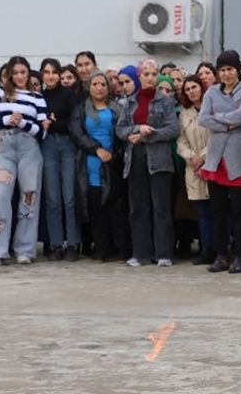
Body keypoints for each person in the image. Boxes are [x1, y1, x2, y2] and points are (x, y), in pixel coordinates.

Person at [0, 56, 48, 266]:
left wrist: (23, 124)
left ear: (28, 73)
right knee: (0, 196)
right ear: (10, 75)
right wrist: (8, 120)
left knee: (29, 197)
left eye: (23, 72)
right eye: (16, 73)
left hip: (29, 147)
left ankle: (25, 250)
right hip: (5, 147)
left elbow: (42, 131)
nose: (20, 76)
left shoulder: (37, 97)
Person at [198, 50, 241, 274]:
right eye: (222, 70)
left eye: (230, 69)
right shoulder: (211, 92)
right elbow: (203, 118)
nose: (226, 73)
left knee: (240, 212)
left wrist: (217, 119)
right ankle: (221, 254)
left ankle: (239, 255)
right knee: (218, 212)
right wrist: (227, 122)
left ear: (237, 70)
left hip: (237, 158)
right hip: (215, 160)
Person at [116, 73, 180, 267]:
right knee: (138, 207)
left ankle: (164, 253)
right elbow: (120, 130)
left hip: (159, 159)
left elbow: (173, 129)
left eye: (154, 74)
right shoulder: (129, 102)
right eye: (146, 74)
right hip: (135, 158)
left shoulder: (166, 101)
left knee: (161, 207)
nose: (150, 78)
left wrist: (146, 135)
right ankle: (141, 253)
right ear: (139, 76)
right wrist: (137, 128)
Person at [72, 72, 129, 262]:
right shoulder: (81, 109)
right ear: (89, 87)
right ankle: (102, 248)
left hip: (113, 162)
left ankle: (121, 249)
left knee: (116, 209)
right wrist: (96, 150)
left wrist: (114, 156)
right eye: (95, 84)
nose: (99, 88)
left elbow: (124, 134)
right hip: (90, 162)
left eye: (103, 84)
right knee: (96, 208)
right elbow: (77, 133)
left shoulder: (118, 109)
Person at [40, 58, 82, 260]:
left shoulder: (68, 94)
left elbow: (73, 121)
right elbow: (38, 121)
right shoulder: (38, 96)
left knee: (69, 197)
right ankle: (56, 244)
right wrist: (50, 122)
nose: (50, 75)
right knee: (53, 198)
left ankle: (73, 243)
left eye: (54, 71)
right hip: (47, 146)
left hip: (67, 145)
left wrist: (54, 121)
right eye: (46, 71)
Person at [176, 75, 213, 265]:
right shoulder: (184, 113)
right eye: (187, 89)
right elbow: (180, 140)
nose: (191, 91)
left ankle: (220, 248)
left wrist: (203, 158)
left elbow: (217, 135)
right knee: (202, 212)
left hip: (213, 164)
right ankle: (206, 249)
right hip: (193, 168)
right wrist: (191, 158)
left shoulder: (212, 107)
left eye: (194, 87)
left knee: (219, 211)